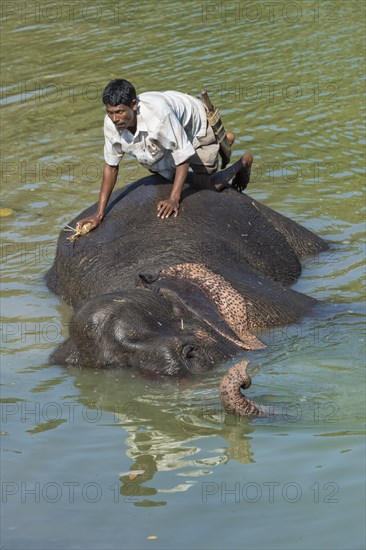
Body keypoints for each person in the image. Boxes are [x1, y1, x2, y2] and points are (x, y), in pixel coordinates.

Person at [78, 79, 253, 229]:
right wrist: (99, 214)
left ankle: (240, 163)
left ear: (133, 105)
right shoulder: (111, 125)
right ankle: (219, 143)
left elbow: (183, 158)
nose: (115, 119)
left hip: (193, 124)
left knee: (204, 186)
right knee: (158, 168)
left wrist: (174, 199)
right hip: (168, 130)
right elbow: (111, 166)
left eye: (120, 112)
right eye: (110, 113)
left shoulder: (159, 117)